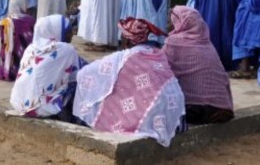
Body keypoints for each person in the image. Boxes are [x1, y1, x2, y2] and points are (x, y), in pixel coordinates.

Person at [74, 18, 185, 147]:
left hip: (152, 114)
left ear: (127, 40)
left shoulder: (125, 57)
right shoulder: (157, 53)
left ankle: (119, 122)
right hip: (172, 111)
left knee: (105, 91)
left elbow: (85, 74)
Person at [163, 6, 234, 124]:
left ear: (181, 22)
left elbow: (160, 72)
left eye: (172, 20)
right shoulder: (207, 43)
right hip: (223, 109)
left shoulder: (173, 42)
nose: (169, 24)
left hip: (196, 110)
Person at [10, 14, 85, 120]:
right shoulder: (67, 50)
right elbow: (79, 73)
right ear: (56, 32)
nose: (71, 35)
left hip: (19, 104)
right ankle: (71, 118)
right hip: (41, 109)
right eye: (68, 31)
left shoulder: (31, 49)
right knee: (80, 80)